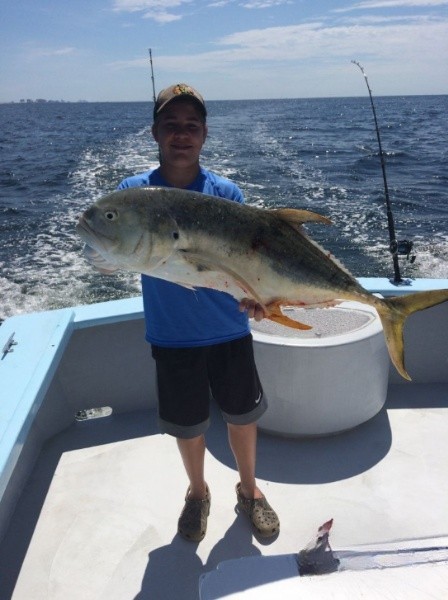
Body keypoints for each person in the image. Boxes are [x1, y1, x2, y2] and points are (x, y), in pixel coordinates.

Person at [87, 83, 279, 542]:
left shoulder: (225, 192)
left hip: (229, 329)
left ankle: (249, 491)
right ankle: (197, 493)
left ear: (205, 135)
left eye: (191, 126)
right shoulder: (132, 194)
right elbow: (115, 251)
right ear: (155, 132)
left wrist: (260, 297)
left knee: (242, 418)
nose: (181, 134)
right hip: (173, 336)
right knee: (188, 426)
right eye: (171, 125)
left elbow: (249, 261)